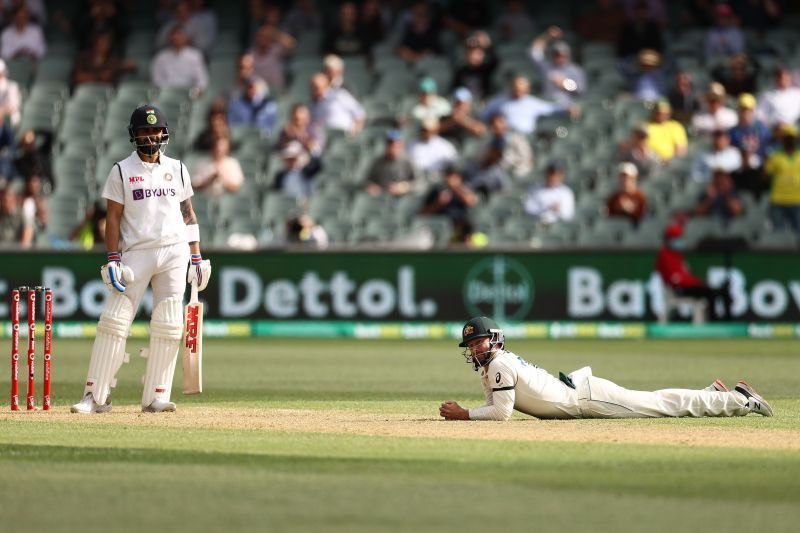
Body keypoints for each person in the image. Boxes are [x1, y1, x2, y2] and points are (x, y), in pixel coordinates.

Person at [70, 104, 211, 414]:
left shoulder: (178, 168)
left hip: (174, 252)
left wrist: (197, 256)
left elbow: (188, 214)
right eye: (145, 131)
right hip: (137, 252)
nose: (151, 136)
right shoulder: (121, 170)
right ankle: (95, 396)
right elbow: (113, 219)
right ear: (134, 135)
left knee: (169, 324)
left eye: (155, 130)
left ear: (164, 133)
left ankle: (156, 396)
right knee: (114, 321)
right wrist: (112, 258)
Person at [439, 316, 772, 421]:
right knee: (656, 401)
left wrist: (463, 414)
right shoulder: (491, 367)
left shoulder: (499, 362)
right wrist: (469, 413)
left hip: (585, 398)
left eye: (479, 342)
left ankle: (738, 399)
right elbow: (494, 407)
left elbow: (501, 414)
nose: (475, 348)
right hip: (578, 394)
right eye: (471, 345)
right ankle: (710, 395)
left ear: (494, 340)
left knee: (659, 405)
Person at [655, 224, 732, 321]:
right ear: (670, 239)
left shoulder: (677, 254)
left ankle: (726, 320)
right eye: (677, 238)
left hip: (685, 286)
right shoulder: (665, 255)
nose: (680, 241)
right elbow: (677, 279)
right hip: (679, 289)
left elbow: (685, 275)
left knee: (720, 291)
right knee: (710, 293)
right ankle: (713, 321)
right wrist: (697, 283)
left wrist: (698, 282)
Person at [481, 74, 570, 136]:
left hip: (526, 138)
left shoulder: (532, 102)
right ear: (511, 87)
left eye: (522, 89)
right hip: (504, 137)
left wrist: (567, 109)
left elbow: (551, 109)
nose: (518, 91)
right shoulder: (499, 100)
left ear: (527, 89)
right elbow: (484, 114)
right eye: (516, 88)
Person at [529, 26, 586, 106]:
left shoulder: (575, 70)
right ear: (552, 55)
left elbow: (581, 92)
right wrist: (547, 36)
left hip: (567, 106)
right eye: (557, 55)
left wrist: (565, 84)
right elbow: (534, 51)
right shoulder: (546, 66)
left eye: (563, 56)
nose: (560, 58)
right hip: (547, 104)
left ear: (568, 56)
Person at [150, 25, 208, 94]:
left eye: (179, 34)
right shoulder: (160, 56)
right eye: (174, 35)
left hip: (189, 93)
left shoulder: (195, 55)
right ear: (170, 38)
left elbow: (202, 80)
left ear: (186, 37)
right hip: (167, 94)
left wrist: (198, 90)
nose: (176, 38)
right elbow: (156, 80)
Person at [764, 125, 800, 233]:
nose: (790, 141)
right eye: (788, 138)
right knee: (779, 234)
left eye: (792, 138)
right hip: (778, 200)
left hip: (798, 200)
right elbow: (765, 175)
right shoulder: (775, 156)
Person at [364, 129, 420, 197]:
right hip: (382, 197)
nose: (393, 148)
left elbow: (420, 183)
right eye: (390, 144)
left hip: (402, 198)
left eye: (396, 145)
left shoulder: (408, 161)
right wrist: (373, 187)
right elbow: (368, 180)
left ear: (401, 146)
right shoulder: (378, 161)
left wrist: (403, 187)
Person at [523, 160, 574, 225]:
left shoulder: (566, 192)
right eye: (551, 173)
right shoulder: (535, 189)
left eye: (557, 174)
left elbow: (569, 216)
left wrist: (558, 210)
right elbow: (528, 209)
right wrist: (546, 209)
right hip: (537, 225)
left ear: (561, 176)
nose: (554, 177)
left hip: (557, 227)